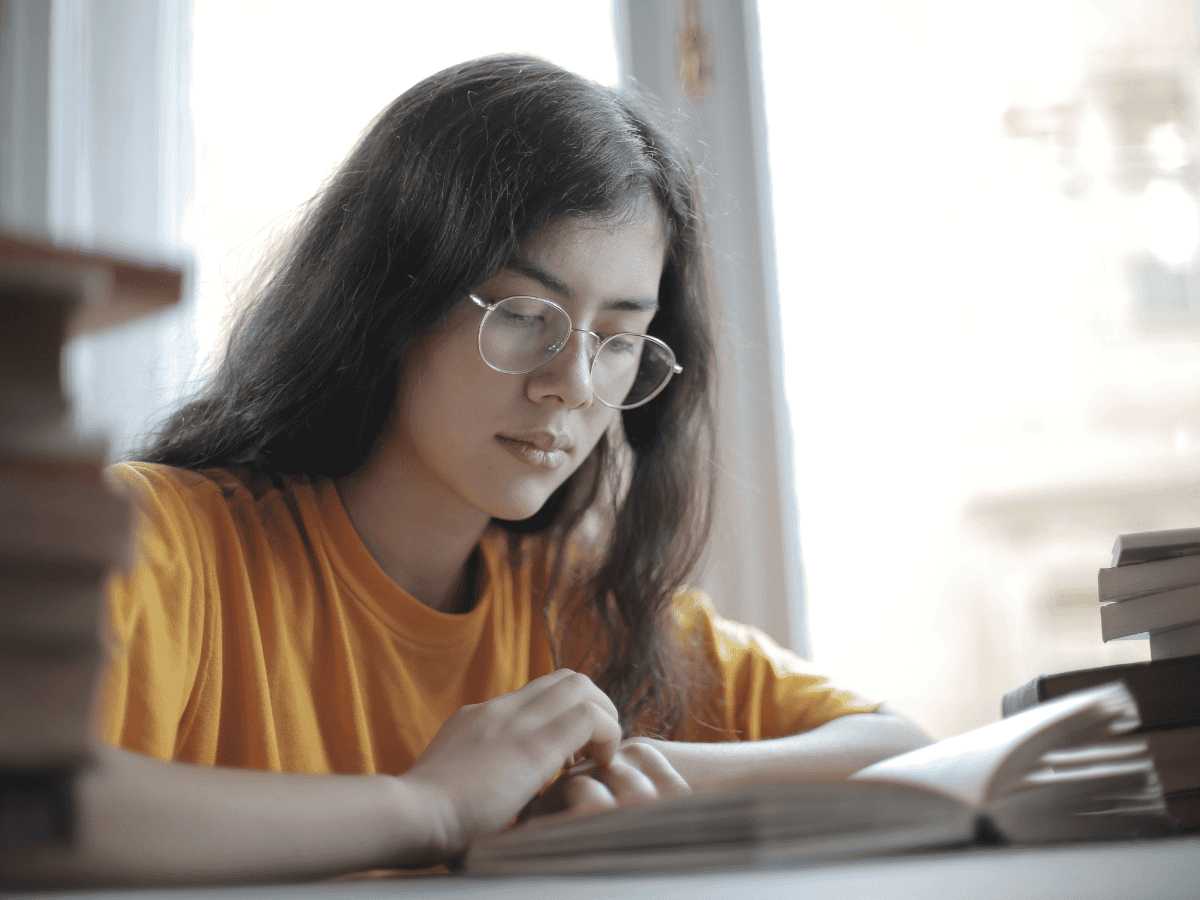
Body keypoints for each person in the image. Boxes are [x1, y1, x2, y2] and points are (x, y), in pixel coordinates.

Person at [21, 56, 930, 885]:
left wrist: (674, 775)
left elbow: (903, 747)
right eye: (526, 314)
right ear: (393, 298)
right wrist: (431, 808)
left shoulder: (584, 604)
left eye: (618, 339)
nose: (571, 384)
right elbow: (36, 812)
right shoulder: (156, 542)